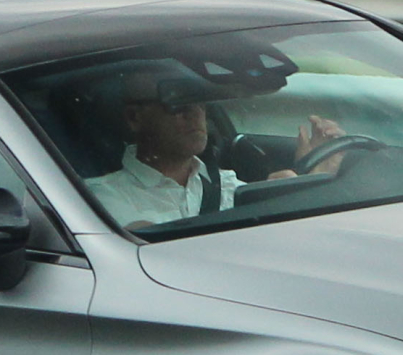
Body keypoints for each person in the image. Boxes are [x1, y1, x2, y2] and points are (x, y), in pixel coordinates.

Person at [85, 66, 346, 231]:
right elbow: (162, 258)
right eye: (177, 104)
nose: (195, 114)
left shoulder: (229, 185)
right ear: (135, 118)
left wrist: (307, 183)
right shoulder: (101, 198)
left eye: (200, 102)